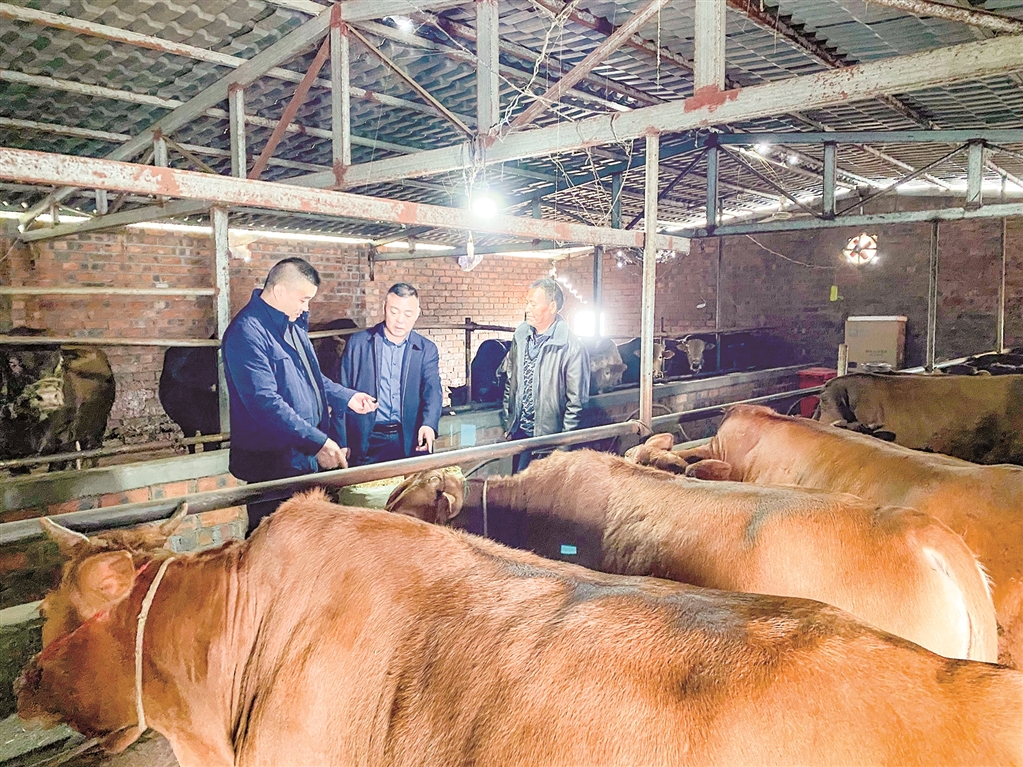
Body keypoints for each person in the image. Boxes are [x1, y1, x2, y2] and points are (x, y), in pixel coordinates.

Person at [222, 257, 377, 533]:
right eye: (303, 299)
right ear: (279, 291)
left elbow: (312, 379)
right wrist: (317, 442)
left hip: (301, 459)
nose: (306, 307)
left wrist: (345, 397)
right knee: (273, 542)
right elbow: (265, 403)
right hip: (272, 465)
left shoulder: (292, 324)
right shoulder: (246, 333)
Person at [340, 283, 442, 465]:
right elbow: (342, 391)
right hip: (365, 439)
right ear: (384, 308)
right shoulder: (358, 344)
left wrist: (429, 424)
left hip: (408, 438)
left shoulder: (426, 349)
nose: (400, 320)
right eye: (394, 312)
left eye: (408, 314)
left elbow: (433, 390)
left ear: (417, 314)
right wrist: (341, 440)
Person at [502, 277, 590, 473]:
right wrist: (509, 421)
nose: (527, 308)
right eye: (527, 303)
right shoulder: (521, 336)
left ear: (552, 307)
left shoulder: (572, 348)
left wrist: (563, 449)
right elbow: (511, 380)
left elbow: (576, 403)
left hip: (549, 441)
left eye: (533, 304)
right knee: (517, 484)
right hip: (520, 435)